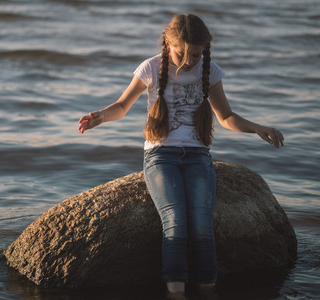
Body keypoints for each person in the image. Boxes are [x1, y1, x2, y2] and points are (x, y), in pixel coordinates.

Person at [78, 13, 284, 299]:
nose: (189, 61)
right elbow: (122, 106)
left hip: (198, 156)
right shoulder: (150, 67)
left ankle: (207, 290)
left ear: (205, 50)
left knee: (202, 224)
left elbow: (225, 117)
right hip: (160, 156)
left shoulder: (210, 71)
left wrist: (258, 128)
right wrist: (100, 117)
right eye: (181, 53)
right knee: (175, 219)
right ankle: (176, 293)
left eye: (197, 55)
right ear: (167, 43)